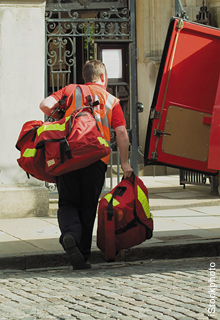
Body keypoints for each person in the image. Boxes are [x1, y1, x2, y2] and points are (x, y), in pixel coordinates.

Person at [40, 60, 133, 270]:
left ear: (84, 77)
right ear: (103, 78)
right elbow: (120, 133)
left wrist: (60, 115)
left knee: (67, 203)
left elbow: (44, 105)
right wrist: (125, 163)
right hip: (96, 159)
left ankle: (70, 234)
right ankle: (81, 254)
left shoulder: (71, 90)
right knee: (88, 205)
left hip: (69, 156)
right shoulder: (111, 100)